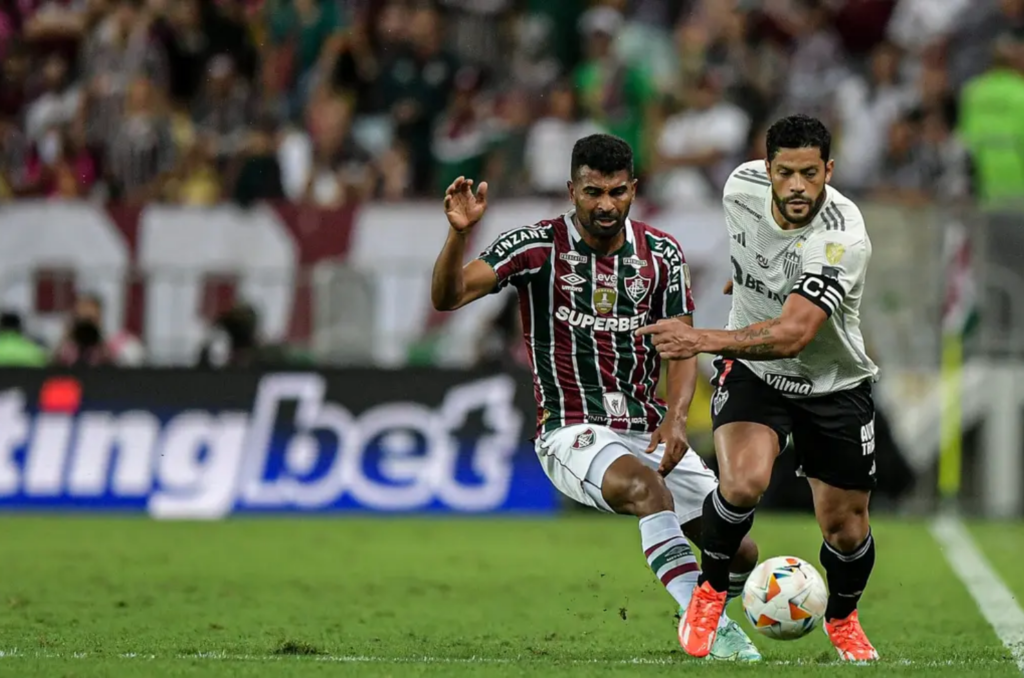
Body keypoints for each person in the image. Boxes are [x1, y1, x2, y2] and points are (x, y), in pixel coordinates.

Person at [430, 133, 762, 661]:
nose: (605, 205)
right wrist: (458, 237)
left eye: (615, 192)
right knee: (647, 489)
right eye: (592, 192)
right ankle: (706, 624)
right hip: (570, 428)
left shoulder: (661, 254)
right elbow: (448, 297)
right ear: (571, 190)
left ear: (633, 188)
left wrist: (676, 420)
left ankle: (706, 602)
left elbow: (680, 347)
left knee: (741, 552)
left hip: (646, 425)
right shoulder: (537, 246)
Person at [638, 114, 880, 662]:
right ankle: (708, 594)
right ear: (766, 168)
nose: (798, 186)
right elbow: (757, 252)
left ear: (829, 171)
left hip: (833, 383)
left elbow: (794, 334)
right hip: (755, 373)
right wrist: (746, 276)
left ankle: (842, 618)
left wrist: (700, 337)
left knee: (844, 529)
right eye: (787, 172)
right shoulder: (738, 187)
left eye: (811, 174)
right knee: (742, 482)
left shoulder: (842, 237)